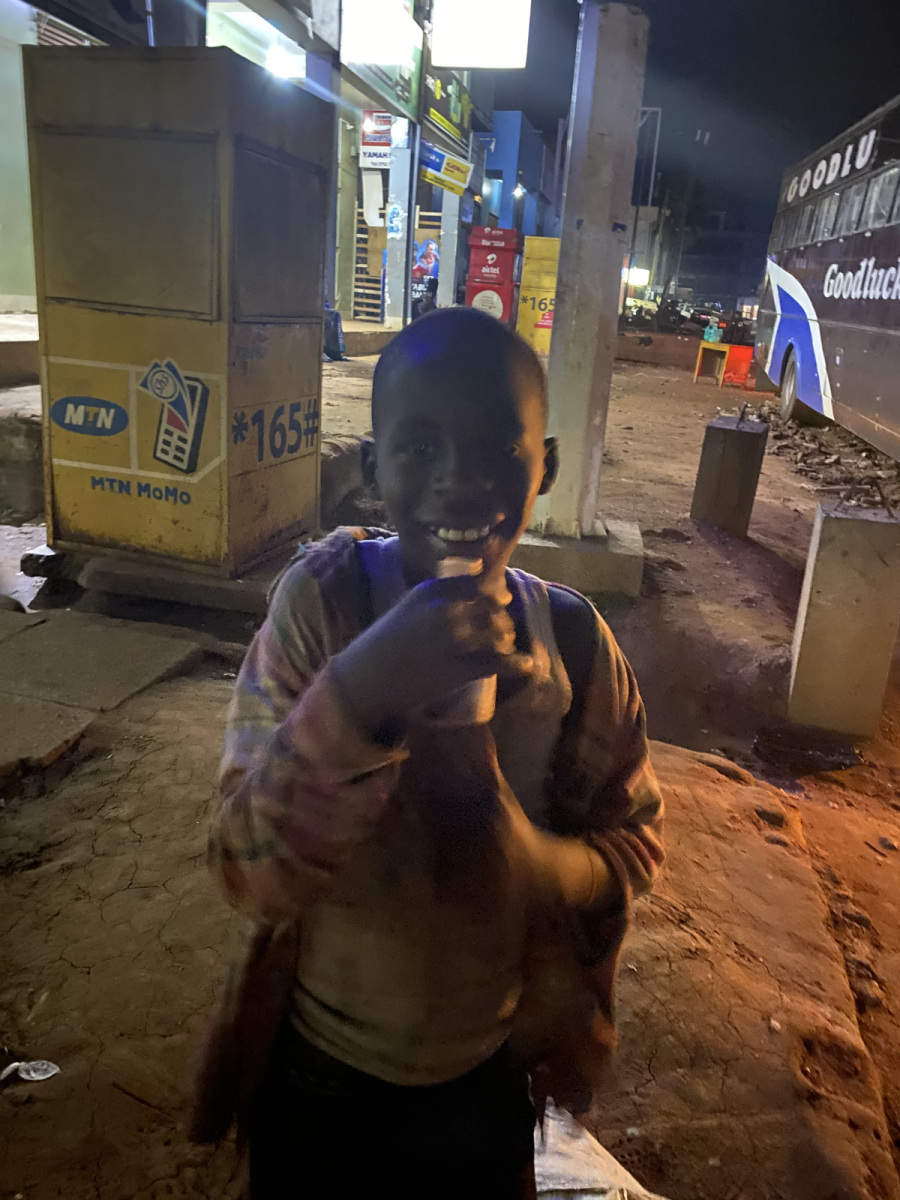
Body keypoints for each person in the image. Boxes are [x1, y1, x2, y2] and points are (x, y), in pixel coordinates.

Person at [196, 308, 664, 1198]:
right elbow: (247, 873)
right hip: (319, 1075)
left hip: (487, 1080)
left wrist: (541, 866)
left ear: (546, 467)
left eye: (498, 449)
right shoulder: (326, 609)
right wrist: (363, 689)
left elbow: (634, 839)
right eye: (419, 448)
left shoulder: (573, 645)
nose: (461, 480)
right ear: (373, 470)